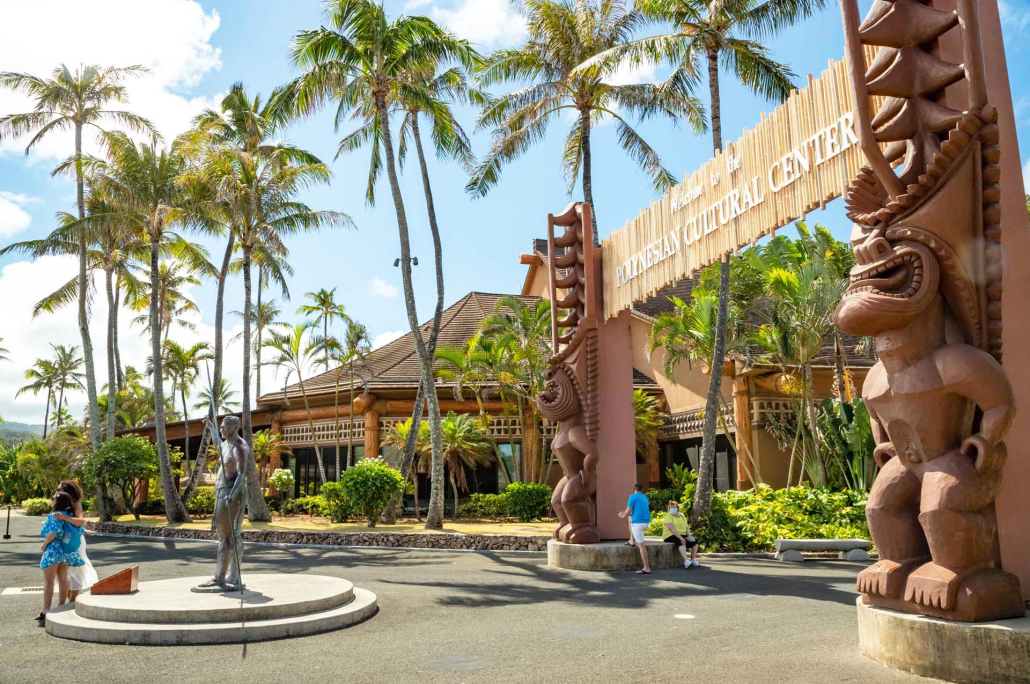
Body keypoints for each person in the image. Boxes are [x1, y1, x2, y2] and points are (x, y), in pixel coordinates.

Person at [37, 491, 85, 621]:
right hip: (66, 552)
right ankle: (61, 606)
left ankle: (46, 608)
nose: (51, 500)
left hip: (53, 550)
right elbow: (80, 529)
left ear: (57, 501)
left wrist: (44, 545)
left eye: (53, 498)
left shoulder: (55, 515)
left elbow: (53, 532)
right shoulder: (69, 515)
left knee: (49, 581)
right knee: (63, 579)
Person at [53, 480, 98, 601]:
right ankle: (69, 600)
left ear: (67, 491)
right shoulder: (59, 503)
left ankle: (73, 601)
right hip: (61, 540)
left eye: (59, 489)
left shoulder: (75, 504)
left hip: (74, 540)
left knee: (76, 567)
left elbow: (80, 521)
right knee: (63, 569)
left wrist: (64, 517)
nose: (57, 492)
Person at [618, 484, 652, 574]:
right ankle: (631, 540)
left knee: (641, 546)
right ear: (642, 490)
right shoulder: (644, 497)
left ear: (634, 490)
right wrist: (626, 514)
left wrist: (622, 515)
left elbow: (628, 510)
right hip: (646, 522)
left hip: (638, 524)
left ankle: (646, 567)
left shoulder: (632, 497)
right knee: (630, 518)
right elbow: (635, 511)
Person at [662, 500, 699, 568]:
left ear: (677, 508)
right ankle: (686, 561)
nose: (672, 509)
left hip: (682, 534)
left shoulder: (682, 516)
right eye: (670, 508)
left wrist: (689, 536)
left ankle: (693, 559)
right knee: (680, 541)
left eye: (674, 507)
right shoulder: (668, 516)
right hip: (670, 535)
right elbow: (672, 529)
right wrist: (681, 538)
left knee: (694, 540)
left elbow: (686, 527)